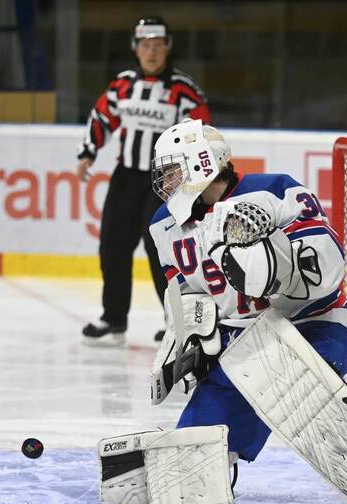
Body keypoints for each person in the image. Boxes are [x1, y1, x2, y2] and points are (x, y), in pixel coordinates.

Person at [95, 119, 347, 504]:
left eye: (171, 170)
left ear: (200, 163)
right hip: (239, 345)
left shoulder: (274, 189)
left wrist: (275, 262)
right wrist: (192, 341)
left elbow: (329, 266)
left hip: (309, 326)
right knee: (186, 472)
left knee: (307, 404)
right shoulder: (163, 225)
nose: (164, 181)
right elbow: (187, 294)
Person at [77, 16, 210, 346]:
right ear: (135, 49)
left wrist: (190, 179)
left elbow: (200, 134)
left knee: (161, 251)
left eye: (157, 45)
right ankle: (113, 317)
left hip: (165, 181)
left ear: (168, 48)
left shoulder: (184, 91)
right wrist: (88, 152)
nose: (151, 52)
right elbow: (101, 117)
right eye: (145, 45)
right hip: (125, 178)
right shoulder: (122, 85)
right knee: (112, 245)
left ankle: (175, 322)